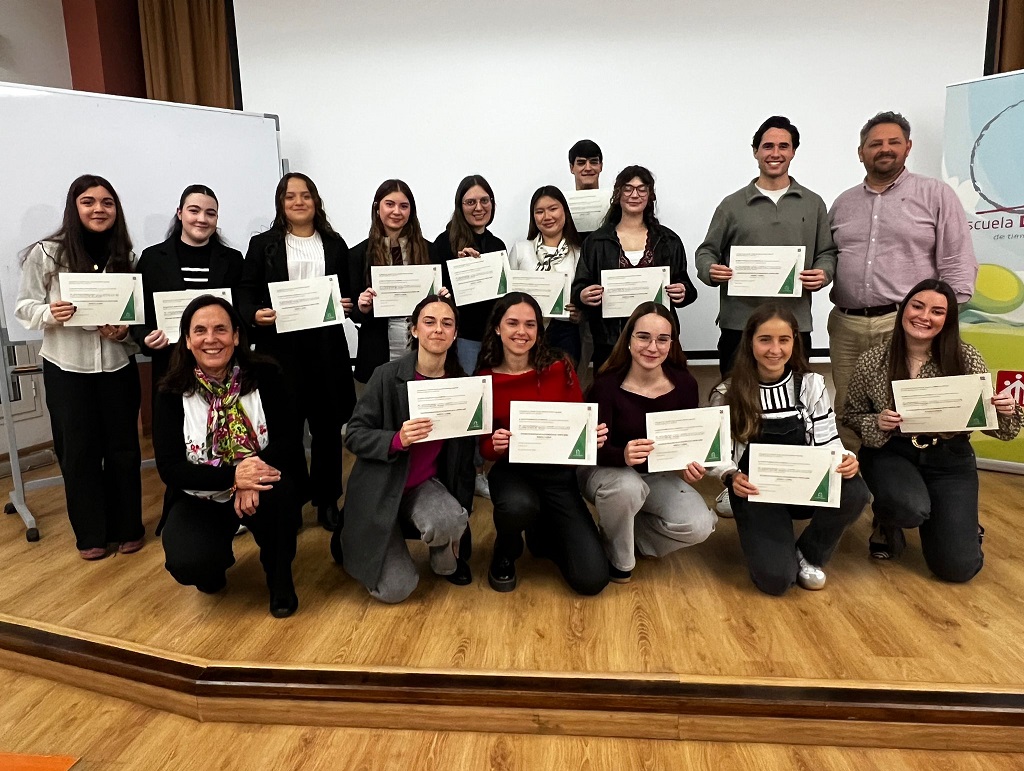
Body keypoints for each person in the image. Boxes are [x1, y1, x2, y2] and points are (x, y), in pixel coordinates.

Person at [843, 280, 1022, 581]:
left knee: (958, 569)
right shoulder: (872, 360)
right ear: (903, 309)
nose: (924, 316)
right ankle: (890, 521)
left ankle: (954, 523)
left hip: (950, 458)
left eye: (937, 311)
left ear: (948, 320)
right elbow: (851, 415)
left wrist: (1003, 410)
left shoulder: (966, 358)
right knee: (909, 507)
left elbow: (1000, 430)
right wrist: (877, 422)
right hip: (892, 453)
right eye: (917, 306)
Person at [828, 111, 977, 447]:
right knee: (848, 409)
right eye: (875, 143)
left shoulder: (935, 194)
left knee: (902, 409)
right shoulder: (842, 203)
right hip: (846, 325)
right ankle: (856, 485)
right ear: (861, 152)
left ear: (908, 147)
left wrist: (939, 318)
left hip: (903, 322)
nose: (885, 149)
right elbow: (827, 258)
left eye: (893, 142)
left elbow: (957, 260)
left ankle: (897, 483)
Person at [16, 174, 144, 560]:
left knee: (123, 449)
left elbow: (136, 319)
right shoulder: (48, 252)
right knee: (78, 451)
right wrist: (50, 313)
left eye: (107, 202)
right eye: (88, 202)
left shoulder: (127, 255)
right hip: (66, 367)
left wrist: (123, 332)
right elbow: (24, 306)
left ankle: (128, 527)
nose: (99, 209)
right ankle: (91, 534)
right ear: (74, 207)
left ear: (116, 209)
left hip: (118, 366)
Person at [153, 295, 304, 617]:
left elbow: (289, 440)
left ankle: (279, 578)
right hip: (200, 494)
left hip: (262, 485)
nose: (211, 339)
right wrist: (233, 477)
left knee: (281, 497)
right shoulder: (170, 391)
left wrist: (250, 474)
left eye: (221, 329)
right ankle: (213, 565)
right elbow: (170, 468)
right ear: (188, 340)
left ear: (236, 336)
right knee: (189, 563)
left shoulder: (266, 374)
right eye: (200, 331)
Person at [704, 304, 870, 595]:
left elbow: (828, 438)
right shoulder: (727, 392)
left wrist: (846, 459)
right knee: (776, 580)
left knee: (854, 489)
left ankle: (809, 553)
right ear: (750, 342)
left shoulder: (811, 385)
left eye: (784, 340)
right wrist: (730, 476)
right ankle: (776, 550)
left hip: (802, 487)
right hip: (754, 492)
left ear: (795, 342)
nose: (774, 349)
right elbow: (718, 455)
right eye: (765, 339)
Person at [238, 172, 357, 532]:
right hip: (279, 353)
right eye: (290, 197)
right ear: (281, 204)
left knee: (326, 429)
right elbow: (244, 291)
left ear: (316, 201)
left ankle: (326, 500)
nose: (299, 202)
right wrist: (254, 315)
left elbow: (348, 292)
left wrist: (348, 304)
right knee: (285, 431)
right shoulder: (263, 245)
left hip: (327, 351)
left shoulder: (335, 244)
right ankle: (291, 497)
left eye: (306, 195)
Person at [340, 294, 475, 603]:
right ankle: (354, 535)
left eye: (447, 323)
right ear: (414, 330)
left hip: (422, 486)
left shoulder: (462, 386)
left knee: (451, 519)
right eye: (429, 322)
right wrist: (395, 439)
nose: (438, 330)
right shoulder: (386, 376)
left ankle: (438, 556)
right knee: (395, 590)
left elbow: (465, 461)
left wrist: (460, 531)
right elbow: (354, 434)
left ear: (455, 334)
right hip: (382, 486)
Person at [478, 292, 610, 596]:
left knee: (592, 580)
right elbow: (483, 446)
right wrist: (494, 444)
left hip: (558, 478)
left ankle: (541, 531)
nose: (521, 332)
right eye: (512, 323)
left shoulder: (559, 367)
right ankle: (506, 550)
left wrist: (591, 436)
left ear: (540, 330)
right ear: (497, 328)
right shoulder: (484, 377)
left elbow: (577, 422)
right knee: (517, 506)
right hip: (512, 472)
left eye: (530, 324)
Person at [579, 302, 716, 583]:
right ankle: (619, 557)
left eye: (662, 339)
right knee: (627, 487)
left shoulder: (685, 385)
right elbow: (591, 450)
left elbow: (684, 446)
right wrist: (623, 455)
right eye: (643, 337)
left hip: (656, 476)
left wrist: (687, 468)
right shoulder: (605, 385)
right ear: (628, 339)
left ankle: (627, 530)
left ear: (671, 344)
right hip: (607, 471)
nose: (652, 347)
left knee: (699, 525)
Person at [695, 116, 836, 377]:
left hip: (794, 326)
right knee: (738, 402)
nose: (775, 153)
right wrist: (710, 270)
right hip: (739, 326)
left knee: (793, 403)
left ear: (793, 151)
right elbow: (706, 251)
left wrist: (823, 272)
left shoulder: (813, 203)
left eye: (783, 146)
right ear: (755, 151)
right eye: (768, 146)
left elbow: (826, 253)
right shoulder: (732, 204)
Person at [571, 165, 697, 372]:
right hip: (609, 342)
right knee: (610, 399)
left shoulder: (668, 240)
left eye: (642, 189)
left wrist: (683, 291)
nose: (634, 195)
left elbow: (687, 288)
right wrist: (583, 295)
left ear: (650, 195)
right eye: (628, 188)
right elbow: (578, 289)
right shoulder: (596, 242)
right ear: (618, 194)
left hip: (656, 344)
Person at [431, 175, 506, 499]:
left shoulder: (498, 245)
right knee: (457, 407)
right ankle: (450, 473)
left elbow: (502, 299)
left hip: (490, 341)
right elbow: (434, 294)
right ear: (460, 206)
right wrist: (454, 274)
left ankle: (475, 471)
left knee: (483, 407)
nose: (478, 207)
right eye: (471, 202)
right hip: (458, 341)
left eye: (484, 201)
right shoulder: (442, 243)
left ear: (492, 204)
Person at [133, 184, 245, 397]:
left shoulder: (233, 260)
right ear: (180, 213)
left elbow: (239, 313)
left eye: (210, 213)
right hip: (169, 367)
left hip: (221, 368)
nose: (202, 219)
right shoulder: (152, 259)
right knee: (171, 428)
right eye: (194, 211)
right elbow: (139, 315)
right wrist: (145, 337)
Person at [349, 179, 435, 383]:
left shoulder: (430, 251)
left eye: (404, 206)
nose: (397, 211)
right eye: (390, 204)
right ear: (377, 208)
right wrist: (362, 307)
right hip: (376, 350)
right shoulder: (358, 255)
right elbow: (353, 314)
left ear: (411, 212)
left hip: (421, 347)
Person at [508, 186, 584, 363]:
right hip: (525, 331)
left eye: (553, 209)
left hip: (564, 332)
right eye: (539, 211)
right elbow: (509, 297)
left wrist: (579, 312)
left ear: (564, 210)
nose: (547, 217)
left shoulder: (579, 253)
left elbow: (583, 296)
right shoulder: (521, 249)